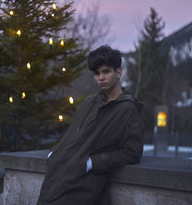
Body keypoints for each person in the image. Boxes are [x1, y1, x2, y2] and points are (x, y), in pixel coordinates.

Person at [37, 45, 144, 205]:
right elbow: (72, 135)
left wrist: (93, 163)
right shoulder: (88, 102)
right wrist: (57, 152)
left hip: (86, 183)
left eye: (106, 71)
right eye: (97, 73)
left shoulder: (128, 109)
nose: (101, 77)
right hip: (59, 174)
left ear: (118, 72)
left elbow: (132, 152)